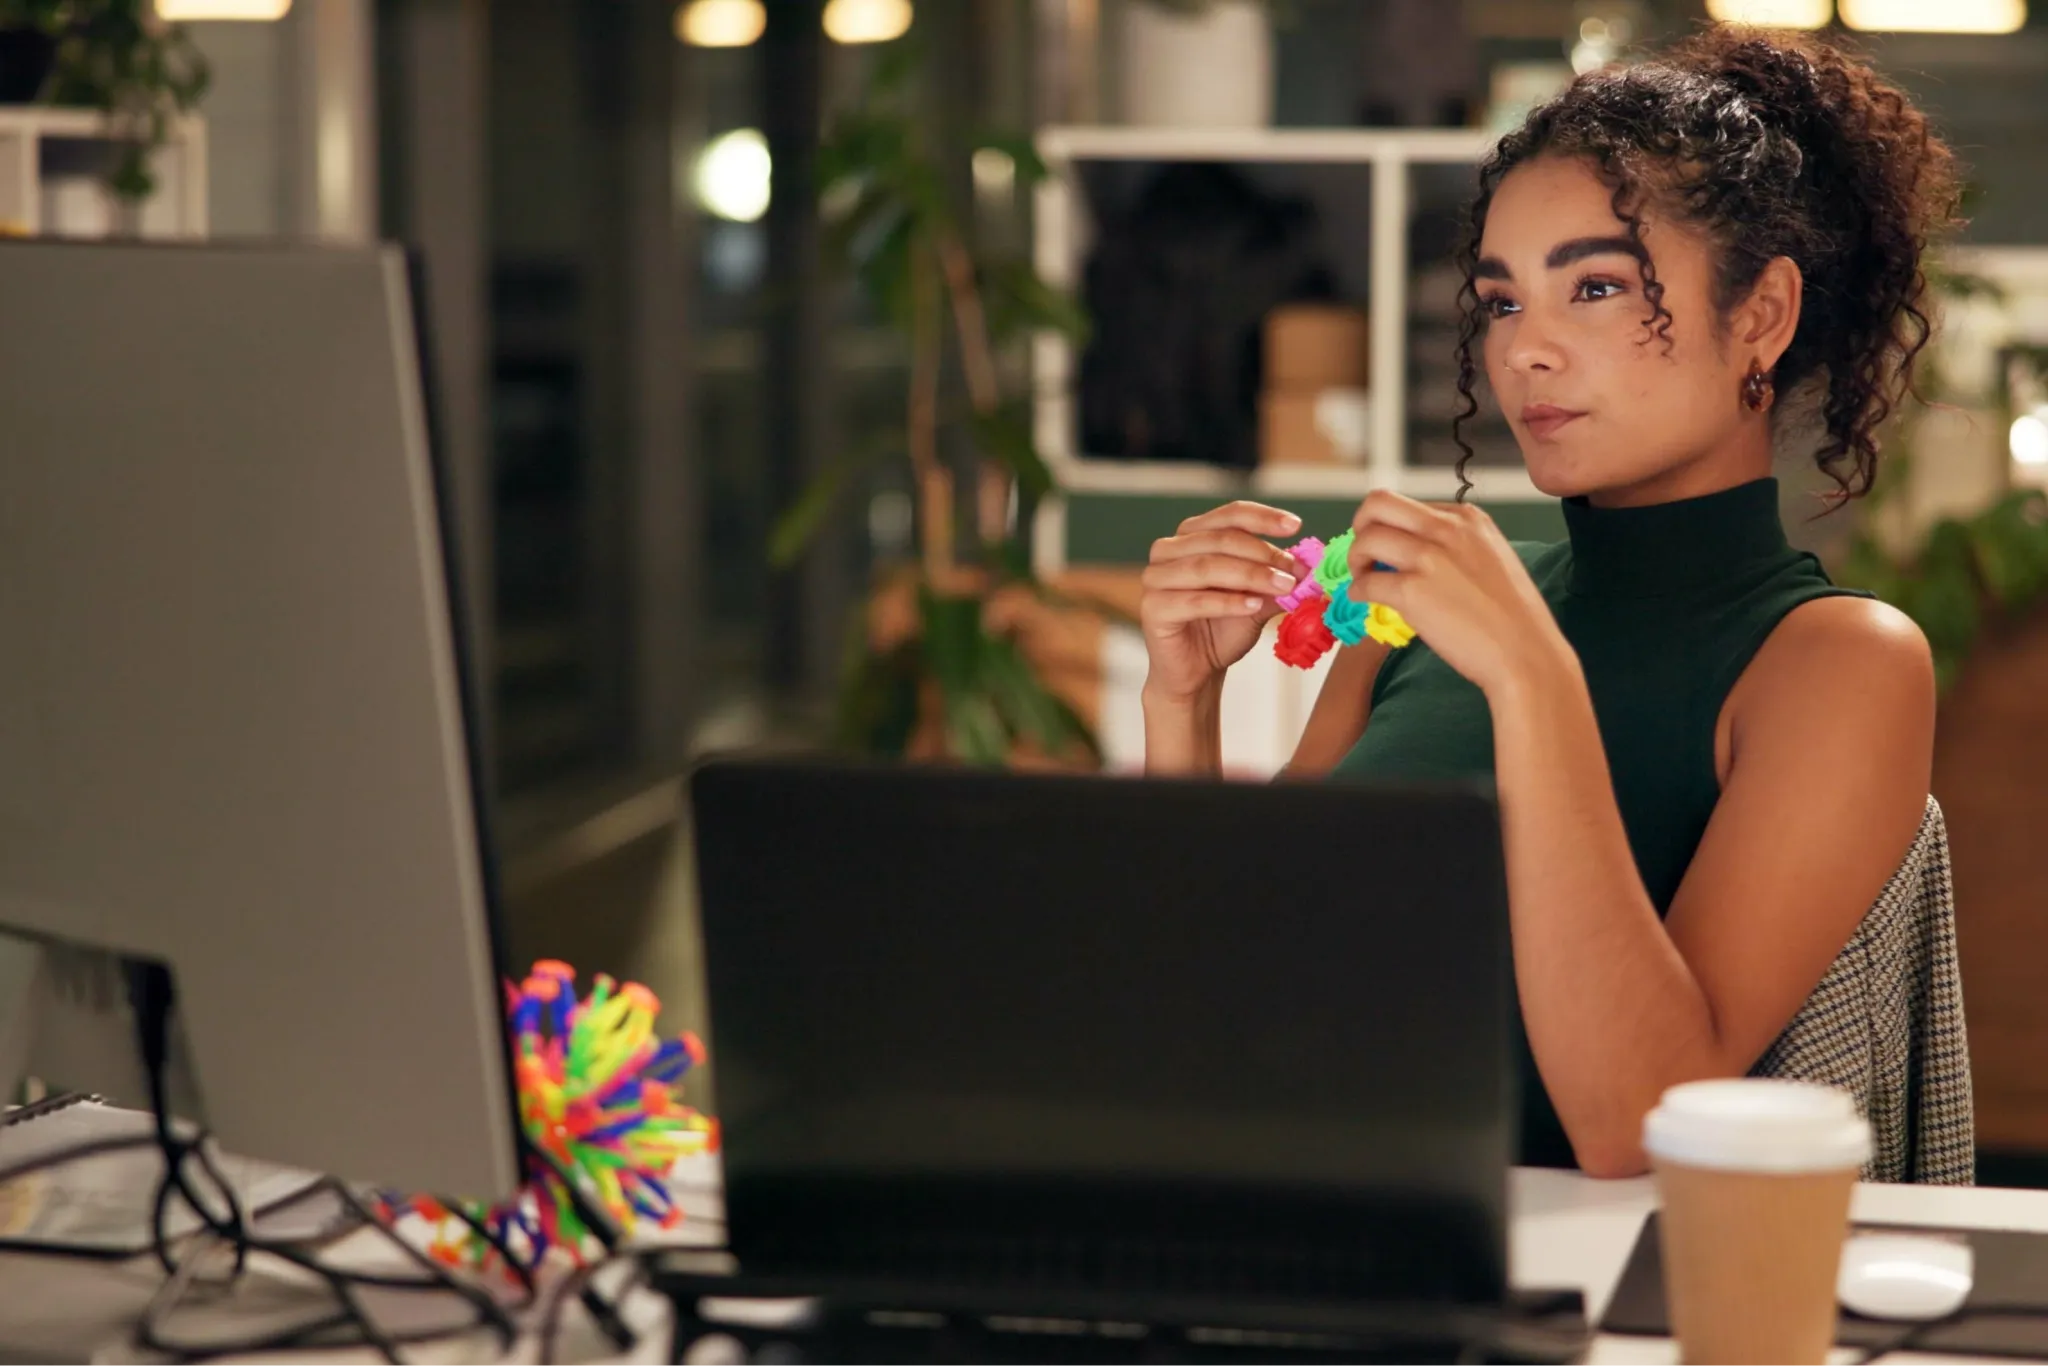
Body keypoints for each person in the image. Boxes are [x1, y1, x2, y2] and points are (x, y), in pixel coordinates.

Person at [1138, 26, 1961, 1178]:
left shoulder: (1834, 662)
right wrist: (1181, 707)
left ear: (1760, 317)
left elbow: (1636, 1122)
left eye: (1594, 287)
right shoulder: (1435, 603)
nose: (1524, 352)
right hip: (1312, 1235)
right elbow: (1220, 1006)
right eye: (1503, 301)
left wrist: (1531, 679)